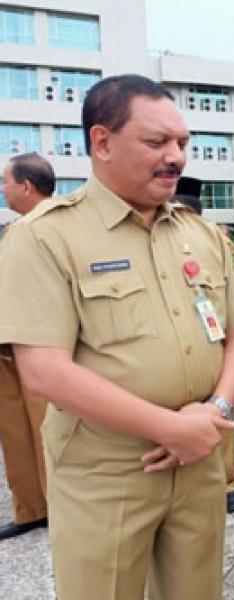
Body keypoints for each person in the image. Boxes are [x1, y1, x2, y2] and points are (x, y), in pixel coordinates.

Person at [0, 75, 234, 600]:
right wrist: (169, 426)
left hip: (198, 456)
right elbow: (44, 370)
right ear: (101, 142)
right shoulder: (46, 236)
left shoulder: (201, 234)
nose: (177, 157)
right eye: (157, 142)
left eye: (183, 143)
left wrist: (216, 408)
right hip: (107, 471)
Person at [172, 175, 234, 515]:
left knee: (221, 411)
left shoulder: (218, 245)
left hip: (214, 340)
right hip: (176, 344)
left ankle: (229, 482)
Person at [0, 153, 55, 541]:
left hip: (45, 348)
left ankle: (59, 506)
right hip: (7, 344)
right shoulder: (13, 229)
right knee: (15, 432)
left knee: (48, 432)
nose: (2, 189)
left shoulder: (59, 225)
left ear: (25, 186)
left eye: (5, 181)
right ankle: (31, 508)